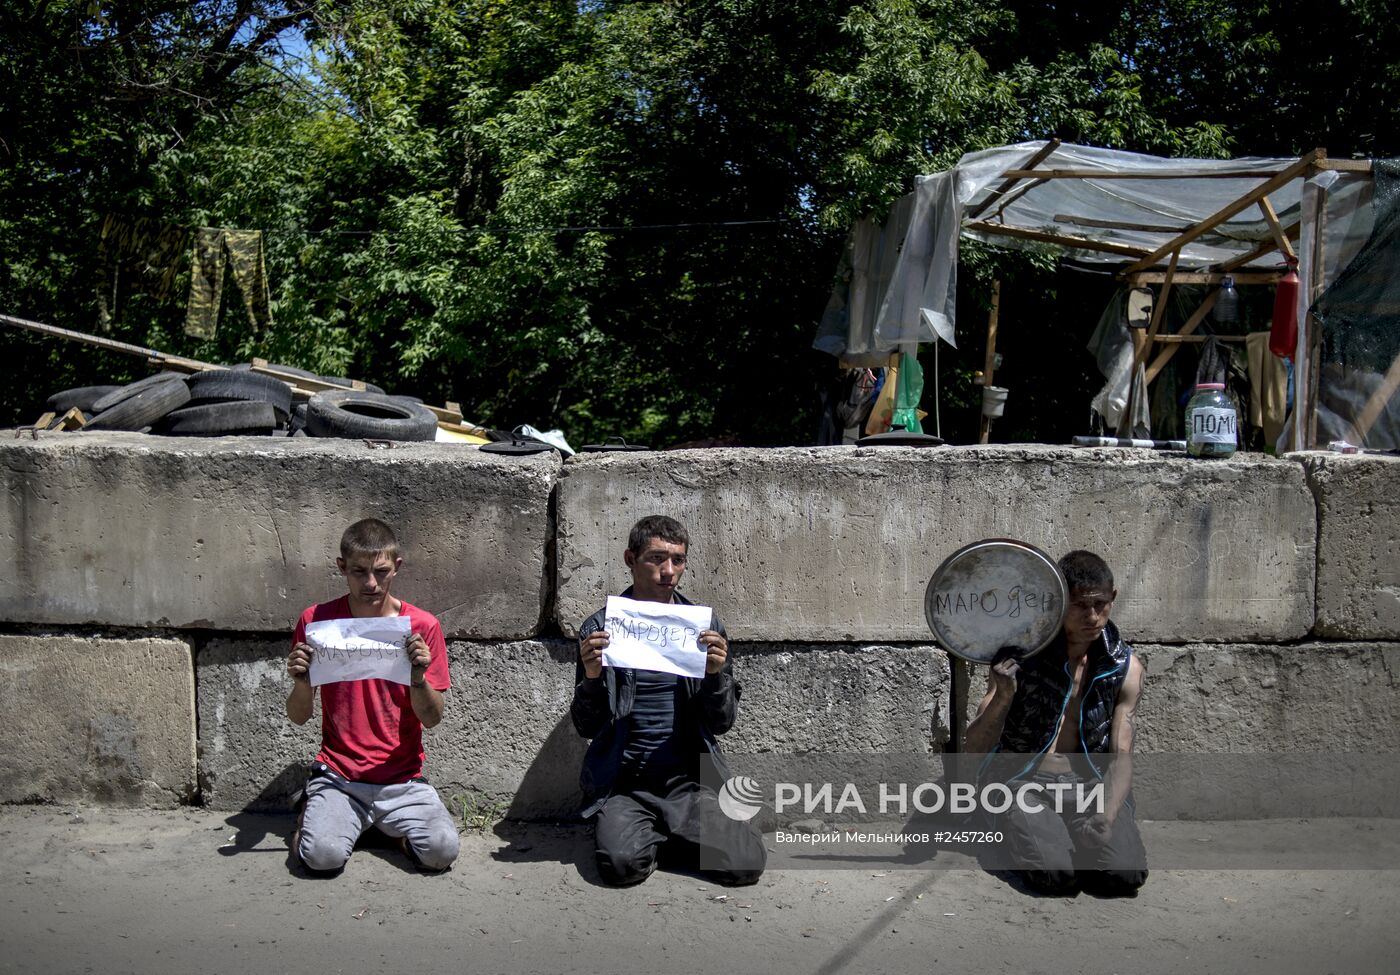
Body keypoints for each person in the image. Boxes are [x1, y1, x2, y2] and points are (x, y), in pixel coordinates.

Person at [571, 515, 765, 887]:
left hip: (687, 782)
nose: (669, 571)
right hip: (624, 783)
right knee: (620, 867)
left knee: (746, 864)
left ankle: (665, 834)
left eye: (677, 560)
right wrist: (592, 679)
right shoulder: (601, 629)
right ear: (630, 559)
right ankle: (643, 832)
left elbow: (722, 722)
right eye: (657, 559)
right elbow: (586, 727)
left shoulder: (703, 629)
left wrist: (715, 676)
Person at [964, 549, 1148, 896]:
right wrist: (1003, 695)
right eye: (1080, 605)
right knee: (1058, 877)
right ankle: (1009, 824)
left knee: (1123, 876)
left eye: (1101, 604)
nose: (1093, 616)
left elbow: (1121, 755)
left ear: (1113, 598)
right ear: (1058, 602)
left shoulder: (1124, 667)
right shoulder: (1020, 657)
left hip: (1089, 783)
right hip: (1023, 782)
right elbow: (974, 746)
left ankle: (1064, 834)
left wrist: (1106, 817)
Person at [285, 518, 459, 873]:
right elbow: (299, 716)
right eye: (359, 572)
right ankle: (321, 813)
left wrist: (418, 677)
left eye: (381, 572)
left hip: (402, 779)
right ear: (341, 568)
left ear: (396, 567)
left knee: (441, 852)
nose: (370, 583)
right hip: (339, 775)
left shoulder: (423, 627)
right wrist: (302, 681)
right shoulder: (317, 621)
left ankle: (380, 830)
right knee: (322, 857)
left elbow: (433, 718)